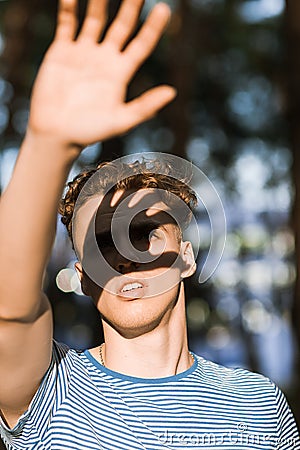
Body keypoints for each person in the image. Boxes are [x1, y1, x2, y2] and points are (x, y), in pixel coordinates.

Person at [0, 0, 299, 449]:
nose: (124, 256)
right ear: (82, 278)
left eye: (142, 233)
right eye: (102, 244)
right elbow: (10, 309)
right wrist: (49, 143)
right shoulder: (47, 390)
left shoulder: (259, 404)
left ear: (186, 257)